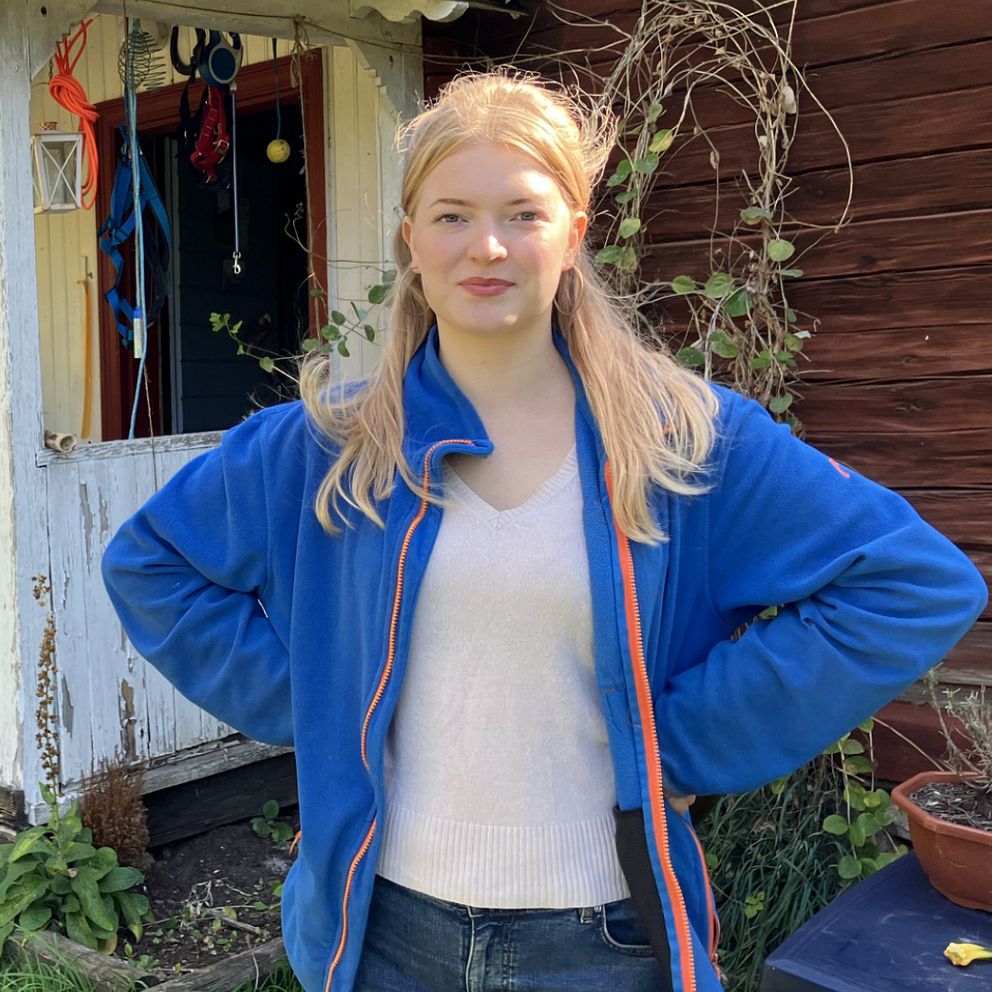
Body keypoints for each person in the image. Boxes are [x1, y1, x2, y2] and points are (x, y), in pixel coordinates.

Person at [102, 70, 988, 992]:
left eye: (523, 213)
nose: (486, 246)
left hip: (604, 943)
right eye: (451, 215)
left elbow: (914, 585)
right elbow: (151, 565)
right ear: (411, 240)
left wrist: (681, 740)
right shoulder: (325, 446)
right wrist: (325, 702)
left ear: (574, 234)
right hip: (382, 939)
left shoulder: (686, 441)